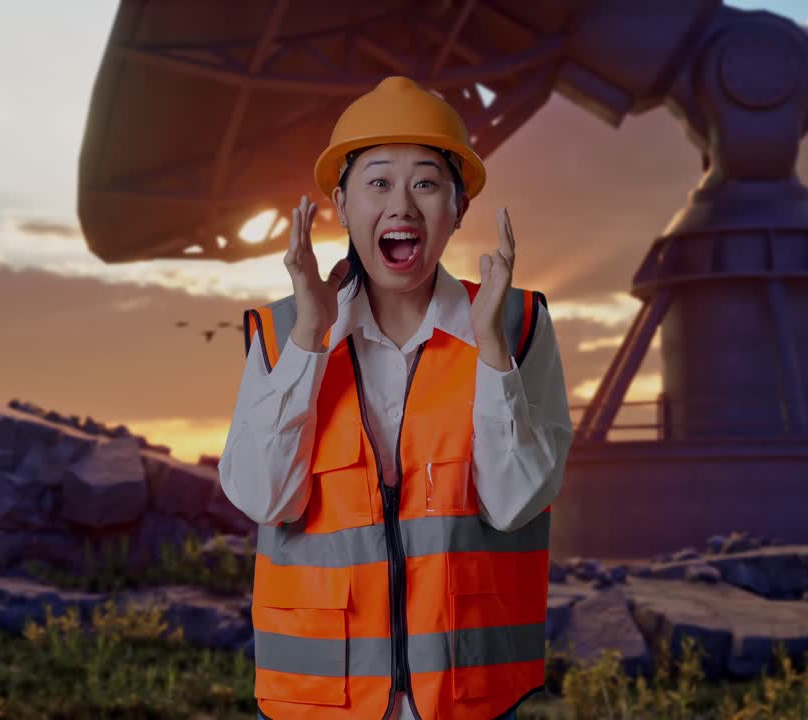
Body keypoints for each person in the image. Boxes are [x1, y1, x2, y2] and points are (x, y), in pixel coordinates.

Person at [218, 76, 574, 720]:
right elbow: (264, 497)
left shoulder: (518, 327)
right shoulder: (280, 334)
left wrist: (490, 350)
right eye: (378, 182)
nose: (402, 206)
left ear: (458, 209)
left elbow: (516, 501)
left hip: (467, 698)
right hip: (322, 698)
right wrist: (308, 339)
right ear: (341, 204)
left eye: (427, 183)